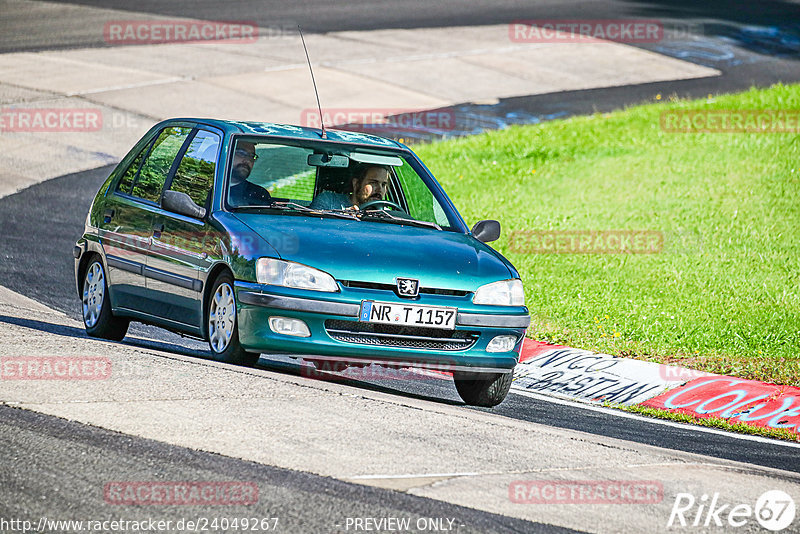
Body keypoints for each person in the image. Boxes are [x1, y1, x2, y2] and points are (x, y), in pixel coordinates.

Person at [310, 164, 390, 210]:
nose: (380, 189)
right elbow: (311, 225)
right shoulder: (329, 202)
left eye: (383, 184)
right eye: (373, 183)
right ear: (356, 184)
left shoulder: (388, 215)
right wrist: (341, 216)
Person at [228, 141, 272, 206]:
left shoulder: (258, 194)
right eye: (242, 153)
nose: (248, 160)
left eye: (252, 156)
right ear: (227, 154)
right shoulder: (210, 186)